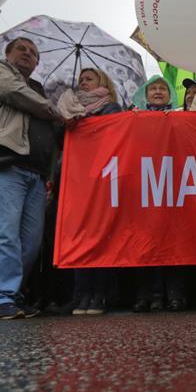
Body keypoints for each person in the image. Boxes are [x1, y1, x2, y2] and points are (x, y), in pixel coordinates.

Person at [0, 37, 62, 319]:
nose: (28, 54)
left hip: (35, 174)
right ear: (7, 54)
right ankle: (0, 298)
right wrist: (57, 111)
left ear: (37, 64)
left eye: (33, 53)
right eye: (22, 49)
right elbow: (14, 93)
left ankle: (13, 294)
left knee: (30, 241)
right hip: (2, 163)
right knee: (3, 235)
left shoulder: (38, 90)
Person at [57, 68, 123, 316]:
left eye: (89, 79)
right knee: (78, 237)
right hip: (76, 180)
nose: (83, 83)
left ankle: (98, 295)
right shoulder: (67, 108)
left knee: (100, 236)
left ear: (102, 82)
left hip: (102, 179)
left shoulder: (111, 108)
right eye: (81, 80)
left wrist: (82, 122)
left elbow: (110, 137)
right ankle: (81, 294)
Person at [130, 76, 188, 312]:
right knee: (144, 243)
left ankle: (175, 294)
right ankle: (148, 294)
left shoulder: (179, 117)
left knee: (173, 242)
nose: (157, 92)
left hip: (173, 186)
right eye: (152, 88)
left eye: (162, 89)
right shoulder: (133, 118)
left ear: (170, 95)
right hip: (144, 187)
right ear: (145, 95)